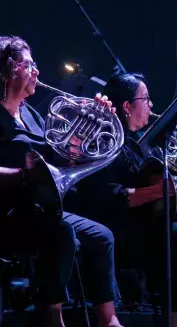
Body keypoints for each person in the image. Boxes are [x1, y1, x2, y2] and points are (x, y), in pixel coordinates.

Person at [75, 73, 177, 327]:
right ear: (127, 106)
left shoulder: (145, 145)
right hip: (121, 229)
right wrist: (159, 190)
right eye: (146, 99)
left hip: (149, 225)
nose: (151, 106)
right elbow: (110, 197)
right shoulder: (106, 139)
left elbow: (169, 191)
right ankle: (173, 321)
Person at [0, 35, 123, 327]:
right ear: (8, 69)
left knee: (102, 237)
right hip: (7, 213)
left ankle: (110, 321)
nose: (37, 72)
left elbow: (58, 161)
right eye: (29, 65)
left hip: (39, 209)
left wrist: (89, 125)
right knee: (62, 233)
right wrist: (22, 176)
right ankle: (52, 317)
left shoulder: (31, 115)